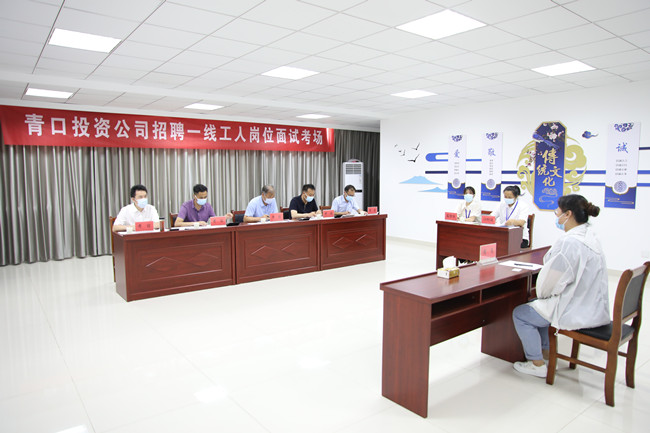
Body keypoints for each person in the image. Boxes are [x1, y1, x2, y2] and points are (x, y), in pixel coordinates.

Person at [512, 194, 609, 378]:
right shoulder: (591, 236)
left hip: (574, 308)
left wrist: (542, 293)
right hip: (591, 305)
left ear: (568, 214)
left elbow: (550, 283)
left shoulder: (570, 242)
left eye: (557, 211)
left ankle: (537, 363)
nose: (556, 215)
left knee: (522, 313)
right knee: (537, 305)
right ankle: (547, 354)